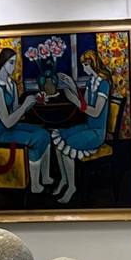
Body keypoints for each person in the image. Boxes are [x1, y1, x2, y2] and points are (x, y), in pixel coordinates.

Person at [51, 49, 114, 204]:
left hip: (97, 133)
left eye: (85, 65)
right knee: (59, 138)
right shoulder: (90, 82)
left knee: (67, 145)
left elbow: (95, 112)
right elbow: (84, 102)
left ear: (93, 64)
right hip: (88, 126)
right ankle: (65, 179)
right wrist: (71, 85)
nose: (84, 68)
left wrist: (75, 101)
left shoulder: (103, 84)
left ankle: (72, 186)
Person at [0, 47, 52, 195]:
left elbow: (16, 110)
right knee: (36, 138)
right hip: (0, 133)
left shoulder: (12, 84)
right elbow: (7, 122)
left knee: (44, 133)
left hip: (12, 126)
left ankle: (45, 177)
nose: (14, 66)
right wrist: (24, 107)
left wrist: (33, 102)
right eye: (11, 62)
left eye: (15, 63)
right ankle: (35, 185)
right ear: (3, 63)